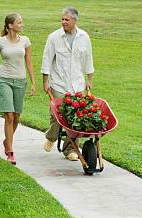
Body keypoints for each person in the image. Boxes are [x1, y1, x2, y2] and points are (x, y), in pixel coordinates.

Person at [41, 7, 94, 160]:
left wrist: (89, 80)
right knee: (58, 115)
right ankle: (51, 137)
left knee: (75, 117)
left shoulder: (84, 37)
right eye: (62, 19)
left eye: (67, 19)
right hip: (58, 84)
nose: (63, 22)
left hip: (77, 84)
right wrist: (45, 81)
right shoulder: (54, 37)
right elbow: (47, 59)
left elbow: (88, 60)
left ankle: (70, 149)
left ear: (75, 20)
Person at [0, 13, 36, 165]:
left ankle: (6, 140)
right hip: (4, 80)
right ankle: (10, 151)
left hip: (20, 81)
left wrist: (33, 82)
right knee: (9, 116)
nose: (22, 25)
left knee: (16, 116)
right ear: (10, 25)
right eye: (19, 22)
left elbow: (29, 63)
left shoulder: (26, 41)